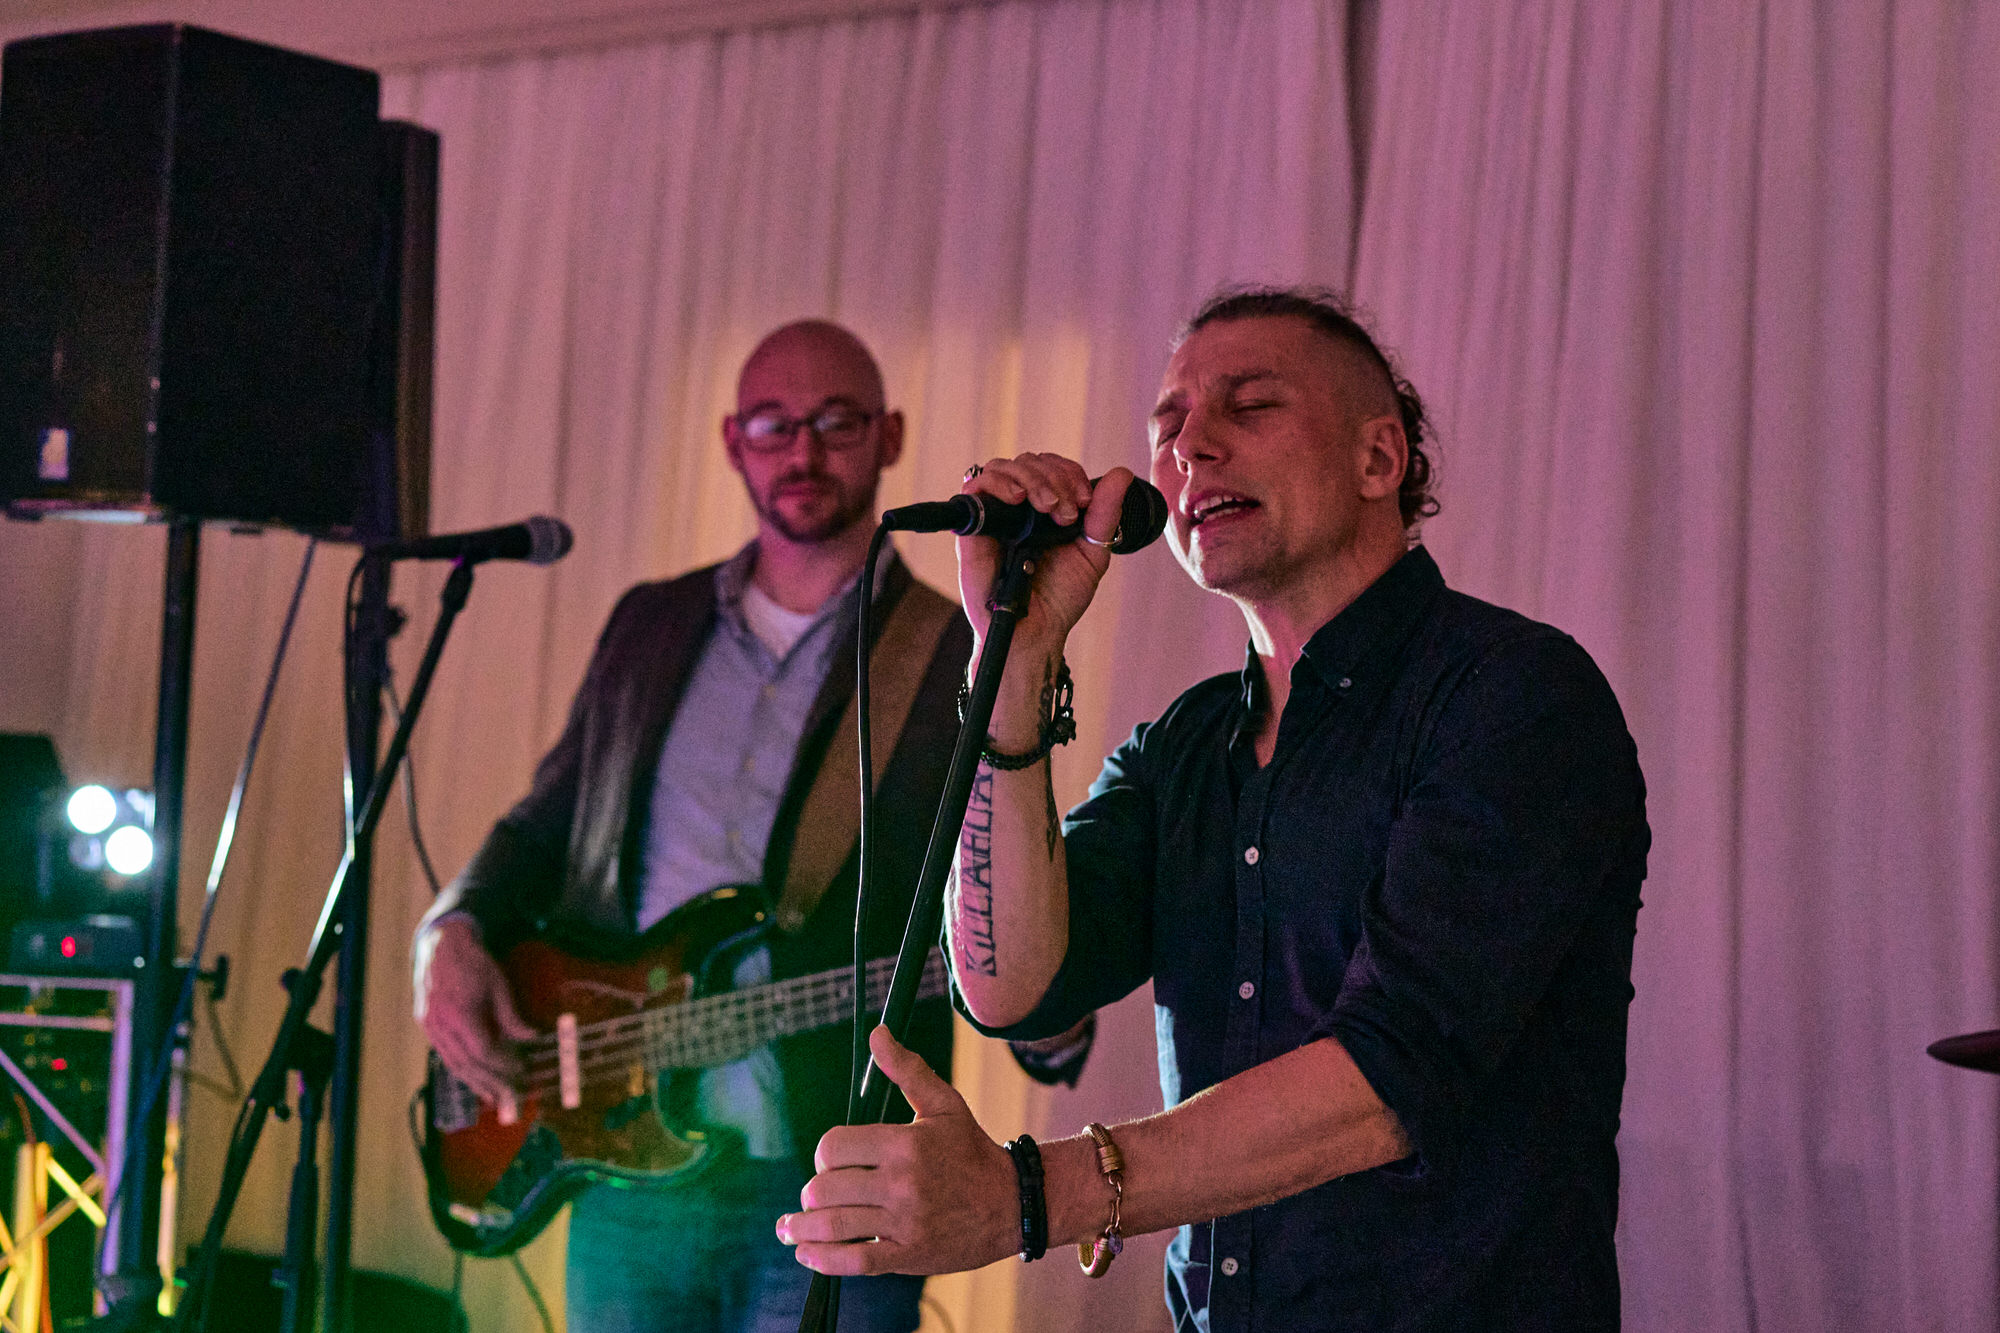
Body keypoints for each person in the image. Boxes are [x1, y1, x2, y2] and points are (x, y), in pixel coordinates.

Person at [777, 288, 1651, 1332]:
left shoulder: (1511, 698)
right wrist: (1009, 665)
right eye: (1167, 423)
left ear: (1380, 461)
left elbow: (1389, 1072)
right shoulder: (1183, 747)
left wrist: (1022, 1196)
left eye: (1250, 405)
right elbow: (1011, 984)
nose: (1189, 446)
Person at [413, 320, 981, 1333]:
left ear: (889, 435)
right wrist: (448, 930)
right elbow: (544, 822)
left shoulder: (948, 653)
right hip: (622, 1170)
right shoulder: (649, 621)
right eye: (772, 425)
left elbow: (999, 881)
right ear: (733, 441)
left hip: (837, 1176)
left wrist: (1042, 993)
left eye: (835, 421)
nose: (801, 451)